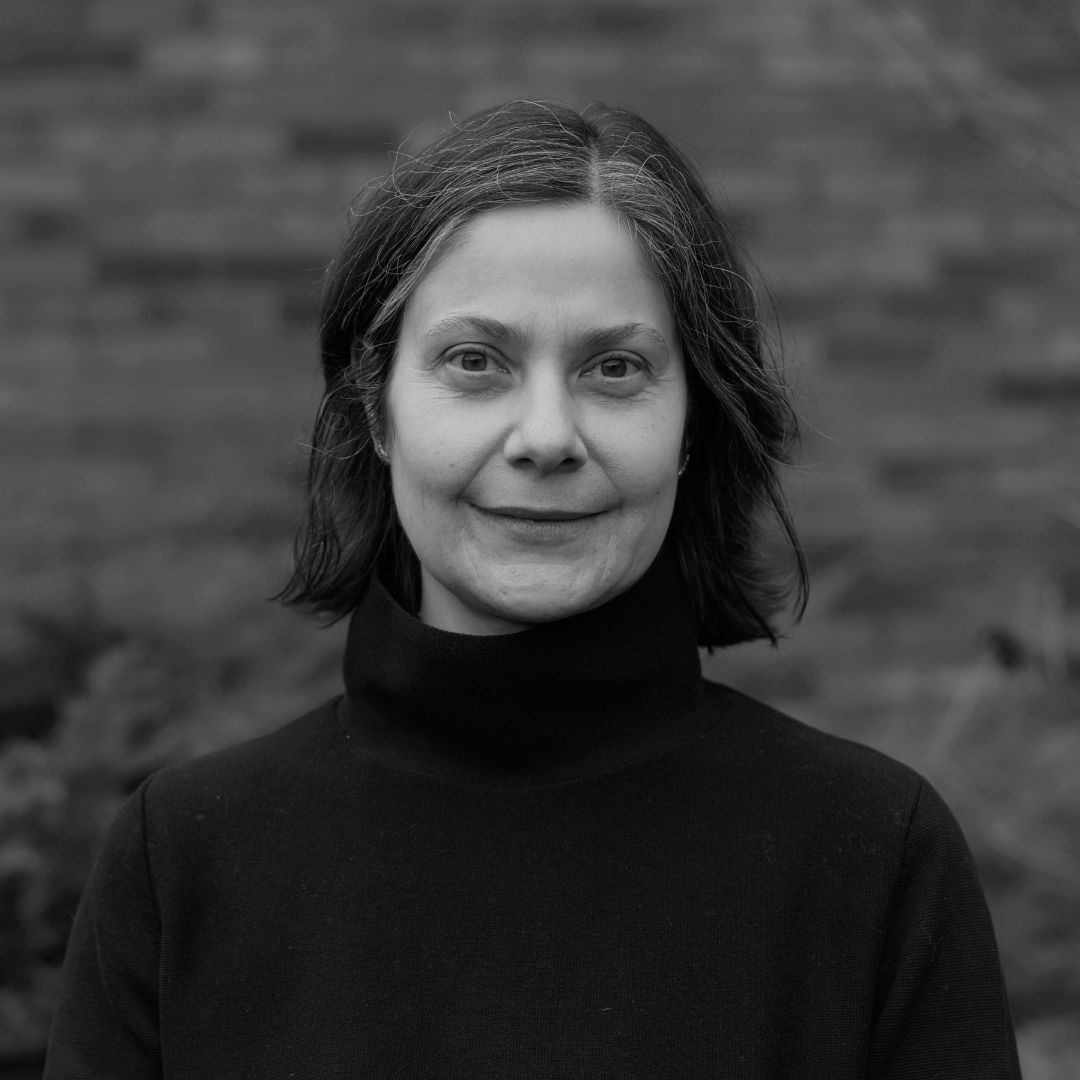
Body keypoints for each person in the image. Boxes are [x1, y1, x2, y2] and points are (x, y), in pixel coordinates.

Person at [44, 100, 1021, 1078]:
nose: (546, 436)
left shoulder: (870, 856)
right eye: (476, 362)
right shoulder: (183, 865)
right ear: (377, 409)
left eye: (614, 366)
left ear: (693, 424)